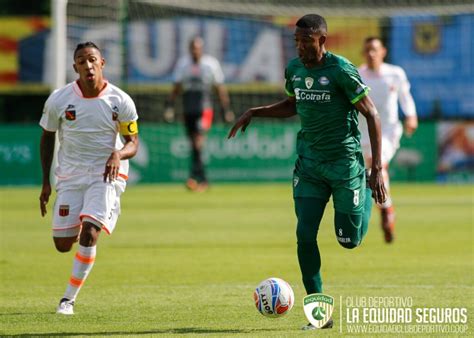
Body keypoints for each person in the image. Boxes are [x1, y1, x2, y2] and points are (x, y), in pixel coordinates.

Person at [228, 14, 386, 330]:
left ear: (322, 40)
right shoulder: (295, 70)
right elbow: (293, 105)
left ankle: (364, 193)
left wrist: (376, 170)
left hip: (344, 166)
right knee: (304, 234)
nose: (299, 47)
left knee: (349, 240)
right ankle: (319, 315)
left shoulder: (341, 70)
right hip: (309, 165)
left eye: (306, 41)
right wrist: (255, 112)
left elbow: (372, 113)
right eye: (296, 41)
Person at [39, 41, 139, 315]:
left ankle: (68, 300)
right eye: (82, 61)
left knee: (90, 231)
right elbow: (47, 137)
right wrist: (46, 182)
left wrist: (118, 154)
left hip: (106, 173)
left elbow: (133, 142)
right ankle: (81, 230)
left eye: (92, 59)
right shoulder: (59, 99)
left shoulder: (120, 100)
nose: (88, 65)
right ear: (75, 67)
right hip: (70, 176)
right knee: (62, 244)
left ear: (102, 63)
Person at [359, 37, 418, 243]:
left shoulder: (396, 73)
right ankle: (386, 207)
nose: (371, 53)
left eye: (375, 49)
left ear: (383, 51)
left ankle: (385, 207)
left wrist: (411, 115)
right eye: (367, 50)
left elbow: (405, 96)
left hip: (389, 131)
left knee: (378, 164)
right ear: (363, 53)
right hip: (365, 132)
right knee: (370, 170)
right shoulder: (358, 75)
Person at [165, 36, 234, 192]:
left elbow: (219, 88)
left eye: (198, 48)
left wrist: (226, 110)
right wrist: (169, 106)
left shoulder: (211, 64)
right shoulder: (183, 64)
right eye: (193, 48)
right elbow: (176, 87)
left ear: (201, 49)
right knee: (194, 145)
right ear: (190, 49)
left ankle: (196, 177)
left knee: (198, 142)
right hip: (188, 106)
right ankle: (201, 179)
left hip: (205, 107)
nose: (195, 51)